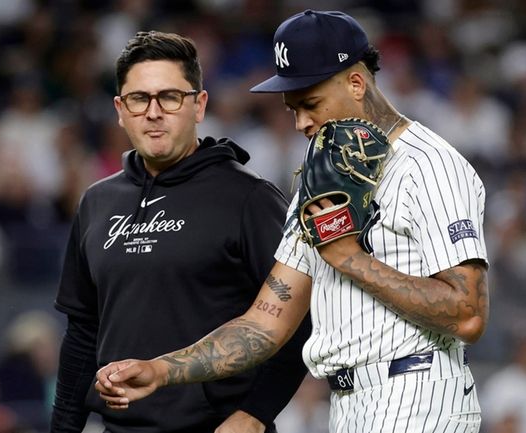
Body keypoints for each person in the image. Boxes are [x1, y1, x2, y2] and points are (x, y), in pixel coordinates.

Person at [95, 10, 490, 433]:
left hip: (420, 393)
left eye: (311, 104)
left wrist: (347, 257)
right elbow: (266, 323)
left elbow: (467, 314)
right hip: (350, 404)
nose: (301, 123)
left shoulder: (429, 166)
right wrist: (161, 371)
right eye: (292, 109)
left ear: (356, 83)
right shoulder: (323, 176)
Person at [50, 31, 310, 433]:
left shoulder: (249, 199)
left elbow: (298, 319)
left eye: (170, 97)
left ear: (199, 105)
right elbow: (83, 333)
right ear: (120, 109)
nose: (154, 112)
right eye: (139, 99)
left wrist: (256, 413)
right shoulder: (96, 202)